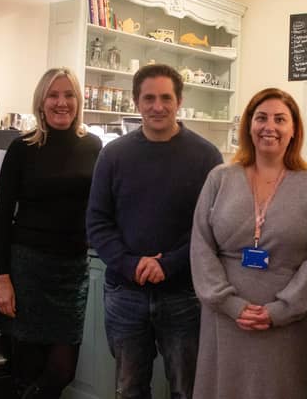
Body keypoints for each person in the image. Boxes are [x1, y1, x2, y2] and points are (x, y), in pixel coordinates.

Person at [190, 87, 307, 399]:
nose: (269, 126)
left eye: (280, 119)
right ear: (248, 126)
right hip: (225, 319)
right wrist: (229, 303)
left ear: (295, 129)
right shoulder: (220, 178)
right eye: (261, 118)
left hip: (285, 326)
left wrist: (282, 310)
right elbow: (201, 246)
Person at [86, 63, 223, 399]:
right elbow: (98, 222)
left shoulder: (207, 156)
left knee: (186, 389)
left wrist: (169, 263)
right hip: (125, 294)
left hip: (184, 295)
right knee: (129, 389)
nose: (157, 106)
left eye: (165, 97)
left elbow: (212, 227)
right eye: (149, 98)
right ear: (136, 102)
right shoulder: (113, 155)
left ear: (179, 101)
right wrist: (131, 264)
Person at [0, 68, 102, 399]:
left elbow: (105, 203)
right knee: (27, 369)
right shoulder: (21, 148)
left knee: (61, 371)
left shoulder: (93, 145)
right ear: (41, 102)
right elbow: (1, 217)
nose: (62, 102)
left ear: (78, 101)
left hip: (72, 272)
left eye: (69, 95)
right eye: (53, 95)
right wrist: (3, 279)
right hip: (28, 270)